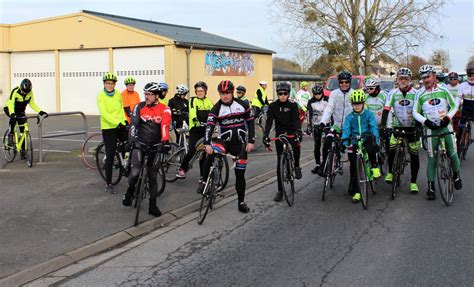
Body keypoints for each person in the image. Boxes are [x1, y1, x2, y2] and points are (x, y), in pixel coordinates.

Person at [198, 80, 255, 213]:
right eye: (222, 93)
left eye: (227, 93)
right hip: (223, 142)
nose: (225, 96)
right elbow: (209, 127)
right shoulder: (216, 108)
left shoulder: (242, 104)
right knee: (211, 153)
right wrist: (207, 143)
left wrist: (251, 141)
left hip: (239, 144)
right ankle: (204, 180)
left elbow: (251, 122)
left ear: (232, 92)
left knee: (240, 175)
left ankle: (241, 202)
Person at [121, 82, 172, 217]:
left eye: (149, 94)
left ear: (156, 96)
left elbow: (164, 126)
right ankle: (130, 191)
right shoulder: (139, 107)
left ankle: (152, 205)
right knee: (135, 172)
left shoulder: (165, 109)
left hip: (155, 146)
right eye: (145, 94)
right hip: (140, 144)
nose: (147, 96)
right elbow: (134, 125)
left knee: (153, 176)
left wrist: (165, 141)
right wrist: (131, 140)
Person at [413, 64, 462, 200]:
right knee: (431, 158)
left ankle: (457, 175)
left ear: (434, 76)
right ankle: (431, 187)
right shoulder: (419, 93)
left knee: (452, 152)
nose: (425, 80)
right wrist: (425, 121)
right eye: (423, 78)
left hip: (445, 126)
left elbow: (454, 105)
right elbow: (415, 112)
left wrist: (448, 117)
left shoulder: (443, 89)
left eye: (428, 77)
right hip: (430, 128)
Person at [381, 67, 420, 193]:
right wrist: (383, 126)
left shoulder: (416, 93)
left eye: (406, 79)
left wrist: (419, 127)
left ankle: (413, 182)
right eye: (400, 78)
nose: (403, 81)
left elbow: (420, 111)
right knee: (392, 148)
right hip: (397, 126)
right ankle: (391, 172)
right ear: (397, 79)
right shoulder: (392, 93)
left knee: (414, 155)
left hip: (412, 127)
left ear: (410, 80)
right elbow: (386, 109)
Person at [263, 82, 302, 202]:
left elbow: (296, 120)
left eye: (285, 93)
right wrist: (265, 136)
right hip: (279, 132)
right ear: (277, 94)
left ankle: (296, 166)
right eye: (280, 94)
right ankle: (280, 191)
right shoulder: (273, 106)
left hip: (291, 130)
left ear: (288, 94)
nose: (283, 96)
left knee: (296, 146)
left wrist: (298, 131)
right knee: (279, 160)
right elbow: (269, 122)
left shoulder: (293, 105)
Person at [341, 89, 380, 203]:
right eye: (355, 104)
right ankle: (357, 192)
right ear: (352, 104)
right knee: (353, 166)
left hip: (367, 138)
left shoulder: (369, 114)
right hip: (354, 141)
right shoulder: (349, 117)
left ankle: (374, 167)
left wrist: (376, 141)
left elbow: (374, 128)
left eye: (359, 104)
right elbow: (346, 131)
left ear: (363, 103)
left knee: (371, 147)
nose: (357, 106)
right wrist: (344, 143)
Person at [97, 72, 128, 194]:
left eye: (112, 83)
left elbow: (120, 109)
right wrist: (116, 123)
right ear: (104, 84)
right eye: (108, 83)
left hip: (119, 124)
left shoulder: (118, 94)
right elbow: (104, 113)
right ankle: (108, 184)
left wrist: (123, 121)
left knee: (129, 144)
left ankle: (123, 163)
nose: (110, 85)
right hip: (108, 127)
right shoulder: (101, 96)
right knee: (110, 155)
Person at [319, 70, 354, 176]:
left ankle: (354, 180)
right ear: (339, 82)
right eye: (342, 82)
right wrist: (323, 122)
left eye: (346, 82)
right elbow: (329, 109)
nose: (344, 84)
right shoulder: (334, 94)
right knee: (327, 142)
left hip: (350, 127)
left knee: (353, 155)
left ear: (350, 82)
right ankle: (324, 165)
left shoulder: (353, 93)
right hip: (337, 125)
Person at [176, 81, 213, 179]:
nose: (200, 93)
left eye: (202, 91)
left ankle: (203, 176)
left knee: (204, 153)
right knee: (192, 150)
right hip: (195, 129)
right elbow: (192, 112)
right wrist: (195, 120)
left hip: (205, 130)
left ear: (205, 92)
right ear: (195, 92)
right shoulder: (192, 100)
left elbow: (213, 113)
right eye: (198, 91)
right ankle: (182, 169)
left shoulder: (208, 101)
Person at [4, 79, 48, 155]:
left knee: (23, 130)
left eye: (26, 92)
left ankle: (23, 151)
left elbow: (32, 103)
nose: (24, 93)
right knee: (13, 119)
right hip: (9, 108)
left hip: (20, 110)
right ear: (20, 88)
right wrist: (12, 114)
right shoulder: (15, 91)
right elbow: (11, 103)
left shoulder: (30, 93)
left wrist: (40, 112)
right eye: (23, 92)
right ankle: (11, 134)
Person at [365, 77, 391, 152]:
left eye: (371, 88)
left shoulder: (384, 95)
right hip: (371, 125)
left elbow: (388, 112)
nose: (368, 90)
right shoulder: (366, 96)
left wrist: (388, 126)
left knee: (388, 144)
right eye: (367, 88)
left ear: (377, 88)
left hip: (383, 124)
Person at [306, 84, 328, 173]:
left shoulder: (327, 99)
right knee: (317, 146)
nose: (317, 95)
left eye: (319, 93)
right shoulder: (311, 101)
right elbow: (309, 114)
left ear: (322, 92)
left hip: (327, 124)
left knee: (327, 145)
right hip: (316, 125)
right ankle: (318, 164)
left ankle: (329, 163)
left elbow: (332, 111)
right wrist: (309, 126)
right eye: (315, 94)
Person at [454, 66, 474, 144]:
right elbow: (458, 100)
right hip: (466, 109)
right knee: (460, 128)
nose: (472, 77)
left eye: (473, 75)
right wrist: (454, 110)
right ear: (467, 75)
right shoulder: (462, 85)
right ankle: (459, 145)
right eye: (470, 75)